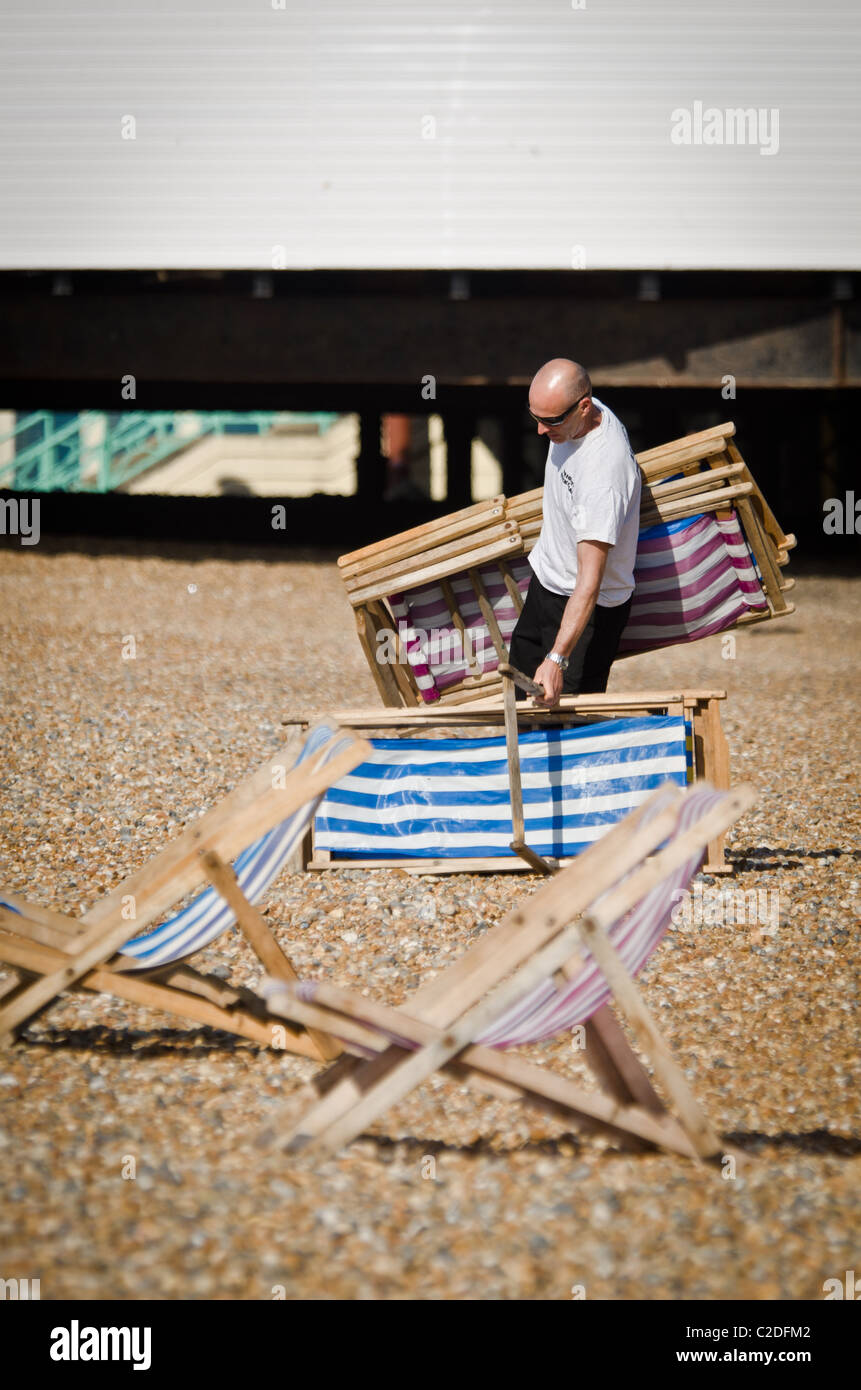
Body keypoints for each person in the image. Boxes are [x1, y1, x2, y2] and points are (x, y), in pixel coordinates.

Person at [508, 359, 641, 708]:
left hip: (586, 610)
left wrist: (558, 659)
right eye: (535, 417)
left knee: (564, 718)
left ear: (584, 406)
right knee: (520, 699)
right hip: (547, 584)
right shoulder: (575, 416)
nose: (539, 431)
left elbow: (590, 582)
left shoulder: (603, 475)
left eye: (550, 421)